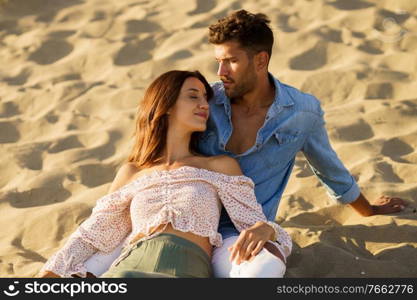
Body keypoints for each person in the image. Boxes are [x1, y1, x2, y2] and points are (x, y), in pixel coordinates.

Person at [71, 9, 408, 278]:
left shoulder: (303, 112)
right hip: (169, 221)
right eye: (218, 60)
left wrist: (368, 210)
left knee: (259, 269)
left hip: (241, 232)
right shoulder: (206, 103)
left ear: (260, 61)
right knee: (83, 260)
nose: (220, 71)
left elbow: (329, 168)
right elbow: (158, 156)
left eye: (231, 60)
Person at [37, 70, 292, 278]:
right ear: (166, 104)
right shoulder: (132, 172)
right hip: (129, 270)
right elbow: (93, 233)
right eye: (193, 96)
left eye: (206, 98)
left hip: (188, 270)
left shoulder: (218, 166)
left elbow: (253, 223)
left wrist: (266, 229)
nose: (204, 105)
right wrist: (48, 274)